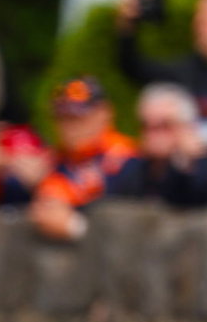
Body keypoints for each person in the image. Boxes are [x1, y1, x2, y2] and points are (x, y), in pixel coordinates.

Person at [29, 77, 139, 241]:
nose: (70, 127)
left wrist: (75, 225)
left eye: (78, 116)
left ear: (104, 113)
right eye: (62, 117)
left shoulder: (127, 158)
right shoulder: (53, 162)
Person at [106, 82, 207, 207]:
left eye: (165, 126)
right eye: (146, 126)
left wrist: (186, 163)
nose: (153, 135)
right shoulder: (132, 170)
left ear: (189, 127)